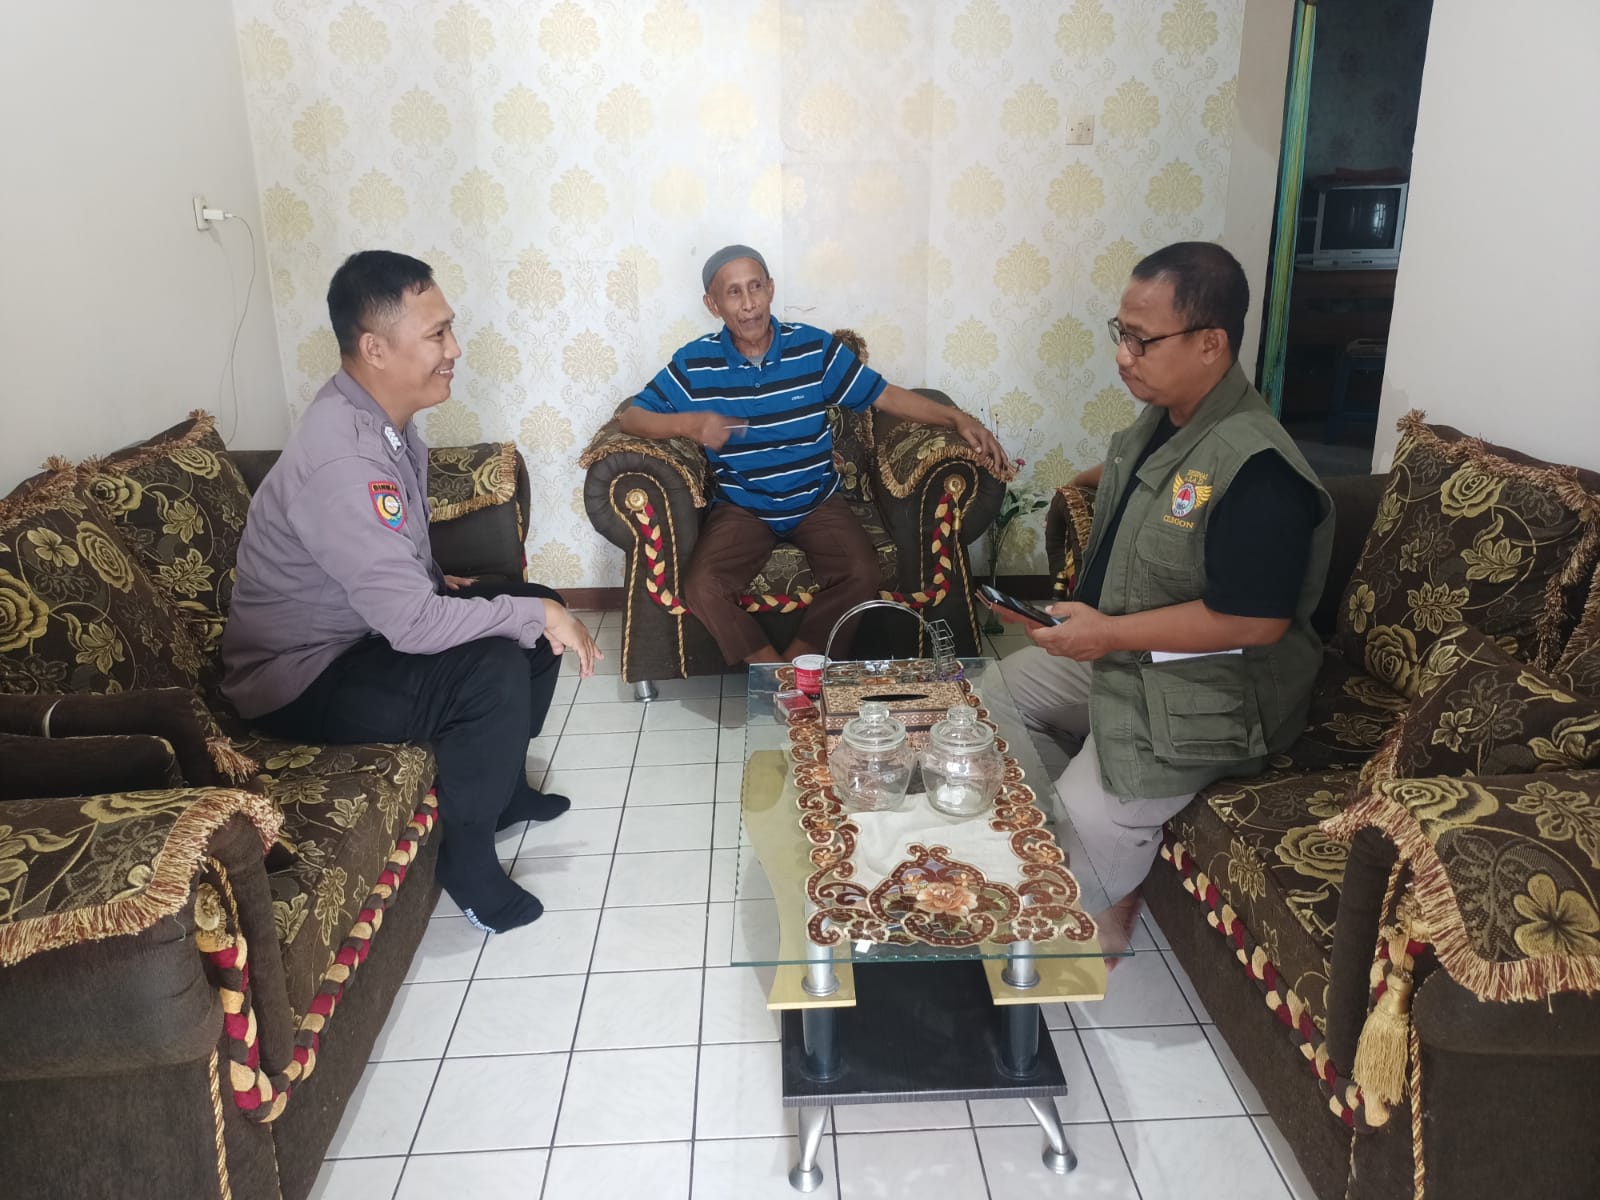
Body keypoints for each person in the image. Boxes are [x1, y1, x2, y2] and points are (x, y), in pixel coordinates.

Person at [222, 250, 600, 935]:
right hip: (301, 678)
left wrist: (442, 581)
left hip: (357, 630)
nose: (454, 349)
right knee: (495, 663)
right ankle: (470, 865)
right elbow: (412, 626)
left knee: (530, 600)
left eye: (449, 329)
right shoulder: (343, 457)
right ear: (375, 348)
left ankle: (505, 792)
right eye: (437, 335)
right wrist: (530, 613)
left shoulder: (380, 419)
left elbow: (384, 549)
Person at [992, 242, 1334, 952]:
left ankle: (1102, 901)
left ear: (1211, 344)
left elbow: (1256, 623)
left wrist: (1107, 635)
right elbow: (1151, 488)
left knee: (1080, 831)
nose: (1124, 357)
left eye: (1143, 340)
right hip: (1130, 657)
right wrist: (1087, 486)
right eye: (1121, 334)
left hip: (1212, 692)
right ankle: (1057, 816)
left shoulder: (1260, 471)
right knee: (993, 700)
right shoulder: (1165, 421)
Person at [619, 244, 1007, 665]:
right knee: (702, 586)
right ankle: (774, 674)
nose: (748, 304)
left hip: (816, 498)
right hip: (742, 504)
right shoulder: (696, 363)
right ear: (712, 305)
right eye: (733, 293)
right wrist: (690, 423)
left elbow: (884, 395)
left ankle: (799, 668)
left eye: (755, 287)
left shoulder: (813, 348)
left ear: (770, 289)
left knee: (862, 573)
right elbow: (632, 418)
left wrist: (955, 418)